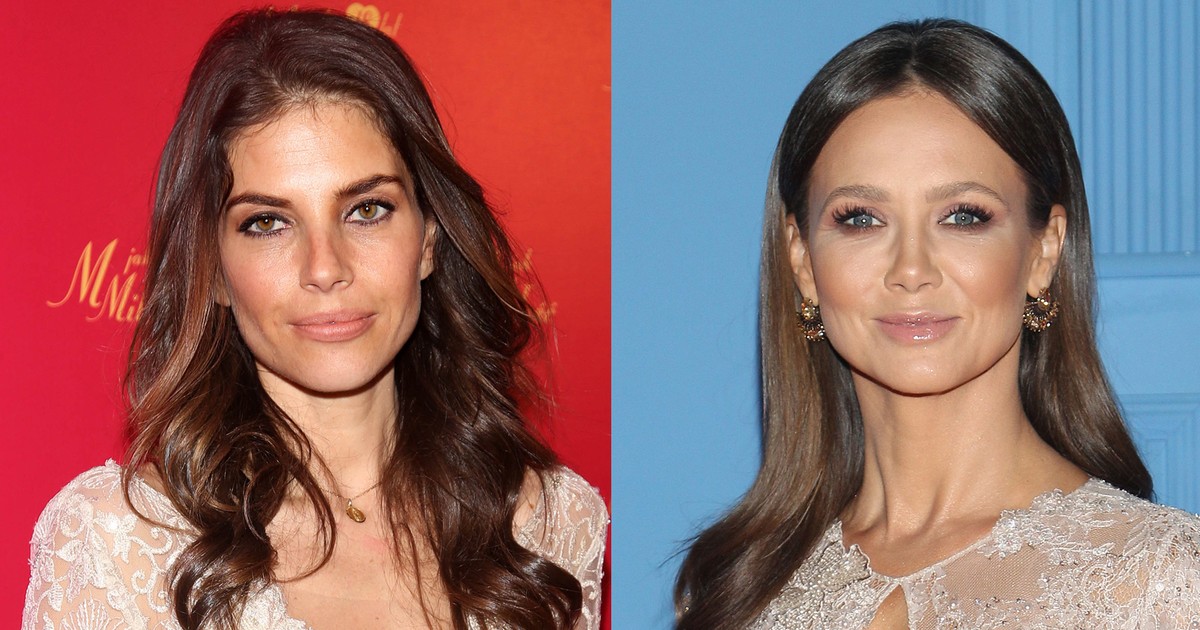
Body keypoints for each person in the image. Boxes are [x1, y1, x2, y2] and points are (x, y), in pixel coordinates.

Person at [22, 9, 606, 630]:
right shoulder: (115, 543)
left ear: (429, 240)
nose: (325, 268)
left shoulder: (551, 525)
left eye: (366, 210)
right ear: (212, 270)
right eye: (267, 222)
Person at [674, 18, 1200, 629]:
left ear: (1044, 251)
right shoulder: (739, 589)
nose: (911, 270)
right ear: (803, 261)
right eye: (861, 219)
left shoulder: (1163, 583)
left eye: (963, 216)